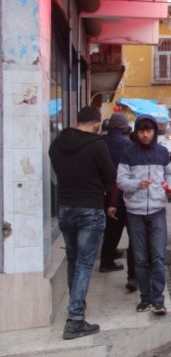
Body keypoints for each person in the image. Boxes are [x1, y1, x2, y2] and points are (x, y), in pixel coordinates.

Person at [49, 106, 116, 340]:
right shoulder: (97, 145)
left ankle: (76, 311)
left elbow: (57, 171)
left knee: (74, 261)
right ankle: (75, 319)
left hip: (65, 208)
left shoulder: (57, 143)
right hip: (89, 208)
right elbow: (111, 177)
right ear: (97, 123)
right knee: (84, 265)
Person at [117, 114, 171, 315]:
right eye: (141, 131)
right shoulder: (128, 153)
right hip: (135, 212)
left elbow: (170, 174)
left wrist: (170, 188)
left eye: (148, 131)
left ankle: (158, 299)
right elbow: (121, 180)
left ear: (154, 132)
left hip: (158, 210)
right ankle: (145, 298)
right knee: (141, 258)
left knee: (158, 256)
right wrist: (136, 184)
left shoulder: (162, 153)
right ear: (136, 132)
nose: (145, 135)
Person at [100, 113, 138, 292]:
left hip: (103, 191)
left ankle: (108, 254)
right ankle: (107, 260)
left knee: (110, 226)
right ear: (125, 128)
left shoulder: (100, 142)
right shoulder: (128, 145)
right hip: (120, 192)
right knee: (119, 227)